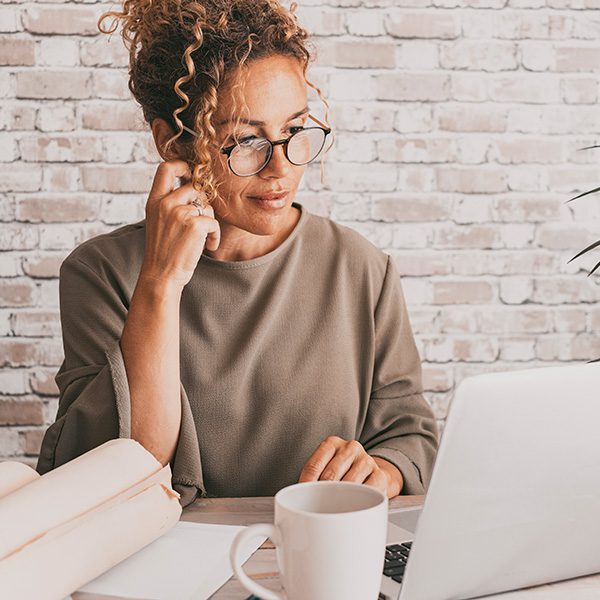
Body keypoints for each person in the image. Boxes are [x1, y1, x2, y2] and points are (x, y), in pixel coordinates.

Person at [36, 0, 439, 507]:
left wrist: (381, 469)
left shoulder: (362, 269)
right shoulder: (101, 273)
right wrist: (160, 285)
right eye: (246, 140)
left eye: (294, 131)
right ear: (172, 144)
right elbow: (121, 471)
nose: (280, 169)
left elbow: (410, 432)